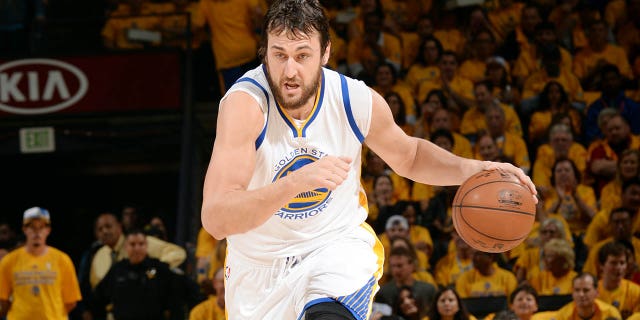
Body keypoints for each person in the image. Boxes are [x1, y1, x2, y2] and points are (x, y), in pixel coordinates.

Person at [199, 0, 537, 318]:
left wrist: (473, 169)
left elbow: (411, 155)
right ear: (264, 53)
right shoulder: (245, 105)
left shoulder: (353, 99)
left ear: (325, 53)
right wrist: (297, 182)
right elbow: (216, 218)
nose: (290, 71)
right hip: (257, 268)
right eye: (279, 55)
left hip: (334, 248)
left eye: (303, 55)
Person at [0, 207, 82, 319]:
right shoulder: (9, 261)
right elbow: (3, 299)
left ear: (48, 230)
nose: (37, 232)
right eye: (32, 227)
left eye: (41, 227)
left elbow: (71, 302)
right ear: (24, 229)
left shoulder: (62, 260)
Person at [92, 229, 182, 320]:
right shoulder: (118, 270)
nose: (137, 248)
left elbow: (176, 300)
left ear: (146, 246)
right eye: (132, 244)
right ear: (126, 247)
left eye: (141, 244)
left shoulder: (159, 268)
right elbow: (99, 298)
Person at [89, 212, 186, 289]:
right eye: (100, 229)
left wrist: (152, 271)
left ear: (119, 226)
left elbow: (177, 253)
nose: (104, 231)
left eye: (108, 226)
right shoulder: (99, 255)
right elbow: (95, 288)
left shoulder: (139, 242)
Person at [555, 272, 622, 320]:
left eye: (586, 290)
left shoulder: (610, 313)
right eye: (577, 290)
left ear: (597, 292)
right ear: (572, 293)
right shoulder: (563, 315)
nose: (581, 294)